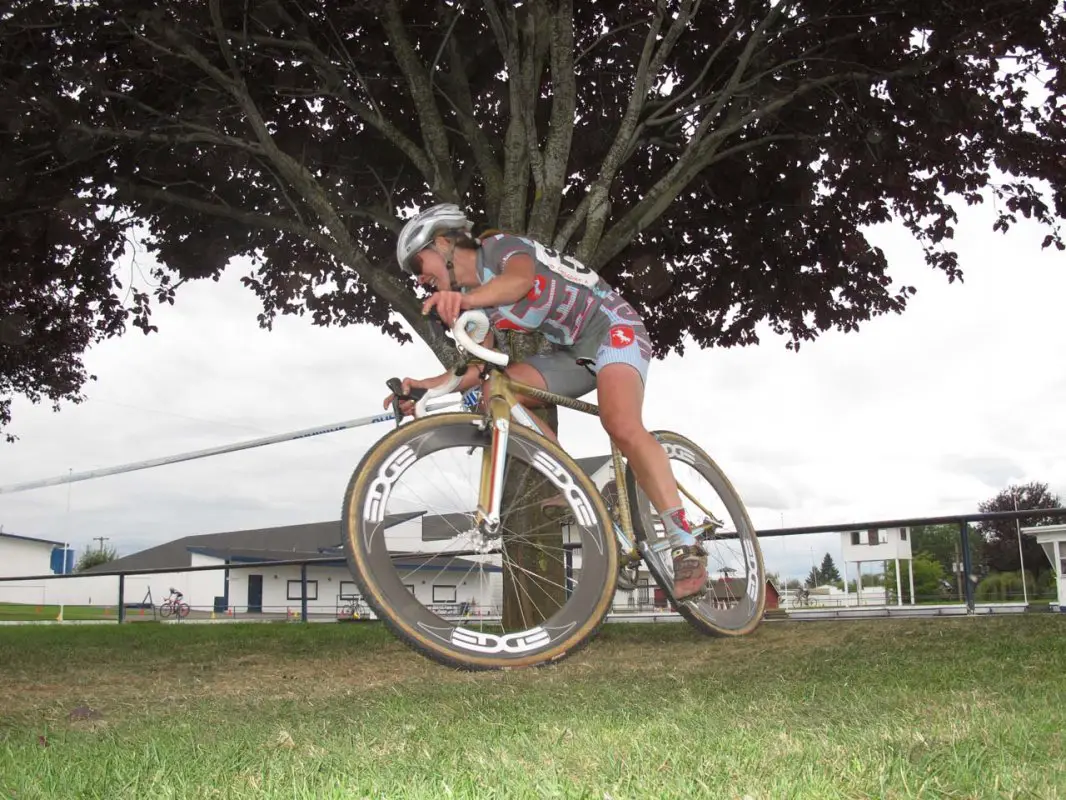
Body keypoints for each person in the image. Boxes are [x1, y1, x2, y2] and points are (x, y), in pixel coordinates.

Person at [382, 203, 708, 599]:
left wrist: (466, 303)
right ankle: (582, 486)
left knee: (620, 422)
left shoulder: (500, 247)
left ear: (445, 242)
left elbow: (520, 282)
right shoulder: (472, 297)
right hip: (571, 352)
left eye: (419, 264)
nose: (420, 279)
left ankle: (683, 540)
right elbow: (475, 366)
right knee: (492, 392)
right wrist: (425, 390)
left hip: (614, 329)